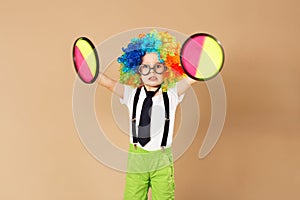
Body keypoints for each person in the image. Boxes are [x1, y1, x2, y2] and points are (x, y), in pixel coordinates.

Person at [97, 30, 196, 200]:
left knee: (164, 197)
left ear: (166, 69)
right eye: (145, 67)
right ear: (137, 70)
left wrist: (207, 61)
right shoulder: (130, 94)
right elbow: (107, 82)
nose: (152, 72)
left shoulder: (172, 93)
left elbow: (194, 76)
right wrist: (88, 70)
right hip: (137, 158)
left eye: (158, 66)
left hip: (162, 160)